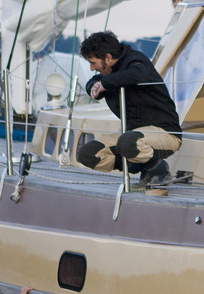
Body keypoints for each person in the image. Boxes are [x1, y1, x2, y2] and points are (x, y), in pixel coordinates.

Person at [77, 30, 182, 185]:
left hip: (165, 133)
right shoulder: (109, 72)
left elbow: (138, 74)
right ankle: (140, 165)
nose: (92, 68)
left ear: (108, 58)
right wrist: (93, 86)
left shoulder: (136, 61)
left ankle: (158, 170)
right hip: (133, 136)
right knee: (87, 154)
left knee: (128, 142)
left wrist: (104, 84)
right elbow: (95, 80)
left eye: (93, 63)